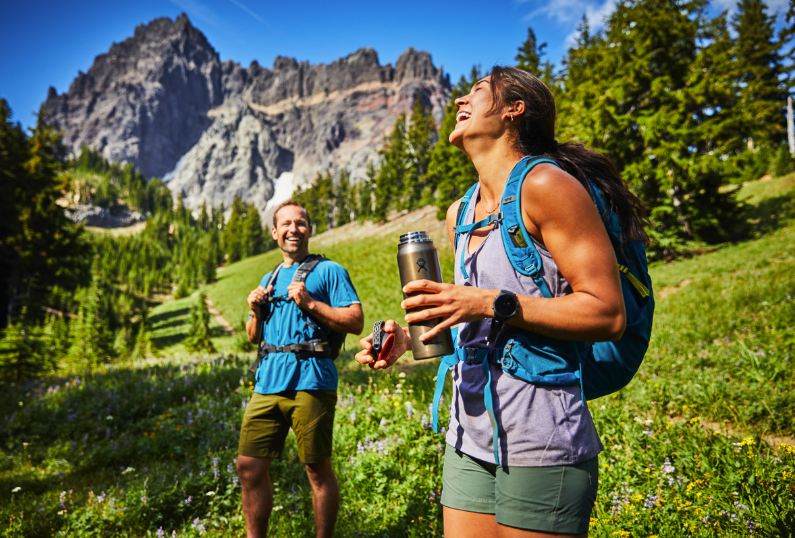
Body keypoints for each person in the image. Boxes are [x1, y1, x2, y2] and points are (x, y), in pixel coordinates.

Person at [356, 66, 649, 537]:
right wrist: (410, 342)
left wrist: (491, 302)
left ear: (516, 110)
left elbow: (607, 312)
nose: (459, 101)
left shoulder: (547, 186)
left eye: (477, 91)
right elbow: (472, 322)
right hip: (467, 437)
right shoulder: (460, 213)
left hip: (542, 437)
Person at [237, 200, 364, 538]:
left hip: (312, 381)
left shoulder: (329, 271)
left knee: (316, 469)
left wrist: (310, 302)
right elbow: (254, 337)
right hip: (267, 384)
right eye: (287, 224)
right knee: (248, 467)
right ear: (275, 232)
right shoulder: (270, 277)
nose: (294, 229)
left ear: (310, 229)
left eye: (301, 223)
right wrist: (254, 310)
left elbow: (355, 320)